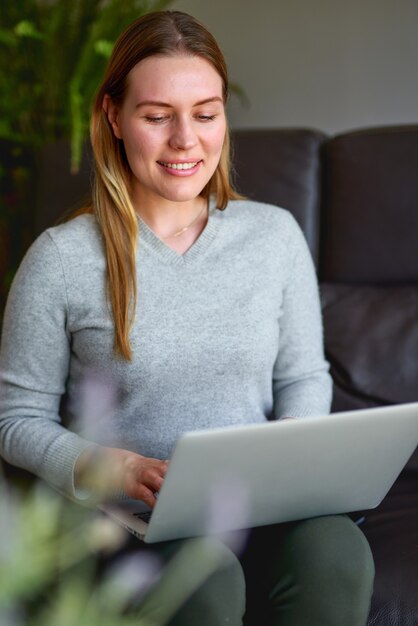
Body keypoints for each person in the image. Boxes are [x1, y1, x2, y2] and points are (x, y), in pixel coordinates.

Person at [0, 10, 374, 626]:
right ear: (114, 117)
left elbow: (304, 376)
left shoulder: (275, 236)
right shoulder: (62, 257)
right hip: (131, 522)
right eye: (157, 117)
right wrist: (111, 468)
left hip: (265, 506)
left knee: (338, 554)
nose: (186, 140)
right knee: (206, 580)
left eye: (205, 113)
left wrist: (292, 466)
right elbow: (17, 421)